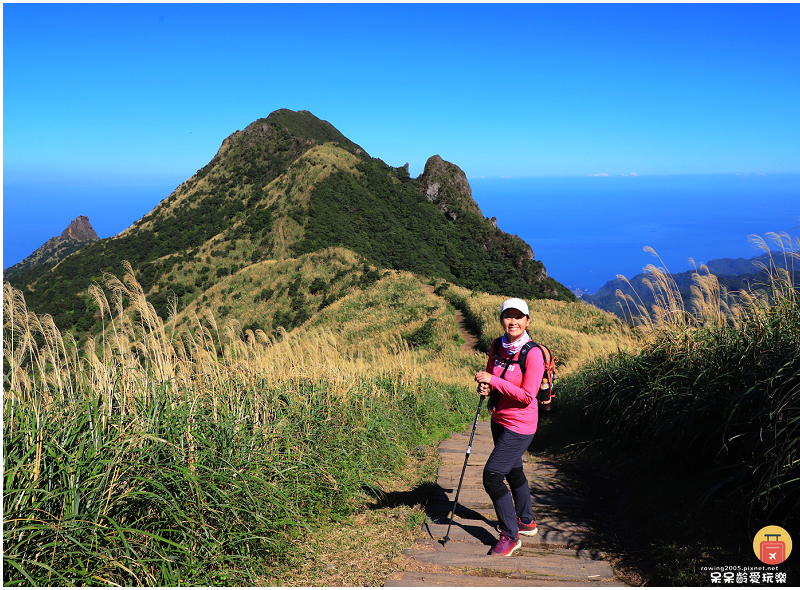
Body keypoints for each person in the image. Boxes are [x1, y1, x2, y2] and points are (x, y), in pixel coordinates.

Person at [474, 297, 544, 557]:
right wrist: (486, 385)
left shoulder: (533, 353)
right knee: (513, 471)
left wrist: (492, 379)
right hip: (498, 419)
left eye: (518, 317)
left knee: (492, 475)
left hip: (520, 425)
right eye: (508, 316)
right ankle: (526, 521)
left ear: (527, 321)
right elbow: (496, 379)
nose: (512, 321)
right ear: (502, 319)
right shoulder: (497, 345)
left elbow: (527, 396)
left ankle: (510, 535)